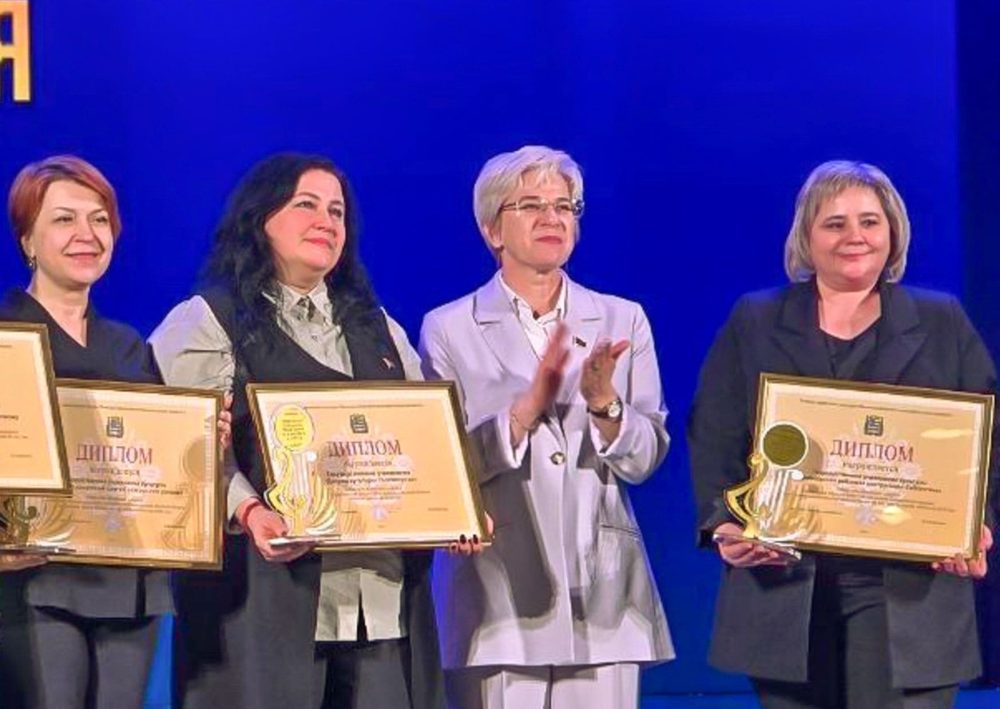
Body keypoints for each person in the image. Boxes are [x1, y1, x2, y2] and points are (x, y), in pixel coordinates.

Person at [688, 160, 997, 708]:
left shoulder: (941, 320)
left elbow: (986, 445)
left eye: (869, 221)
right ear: (807, 237)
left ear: (893, 232)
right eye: (835, 223)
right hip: (787, 590)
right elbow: (715, 434)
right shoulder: (756, 320)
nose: (854, 235)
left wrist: (975, 524)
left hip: (912, 596)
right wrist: (725, 523)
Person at [150, 153, 446, 709]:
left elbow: (426, 439)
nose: (326, 222)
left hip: (379, 603)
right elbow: (185, 449)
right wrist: (248, 510)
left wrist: (456, 508)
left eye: (337, 212)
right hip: (263, 601)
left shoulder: (381, 328)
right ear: (260, 218)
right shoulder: (208, 320)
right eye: (306, 205)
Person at [419, 145, 673, 709]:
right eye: (531, 205)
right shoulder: (448, 327)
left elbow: (645, 458)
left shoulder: (622, 318)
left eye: (564, 206)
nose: (552, 218)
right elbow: (445, 464)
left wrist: (605, 404)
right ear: (492, 229)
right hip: (497, 595)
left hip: (604, 595)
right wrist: (524, 410)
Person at [0, 155, 172, 709]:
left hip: (128, 580)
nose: (87, 234)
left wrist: (194, 451)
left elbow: (156, 462)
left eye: (100, 220)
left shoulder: (129, 345)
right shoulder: (5, 336)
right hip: (32, 580)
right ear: (27, 239)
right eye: (64, 219)